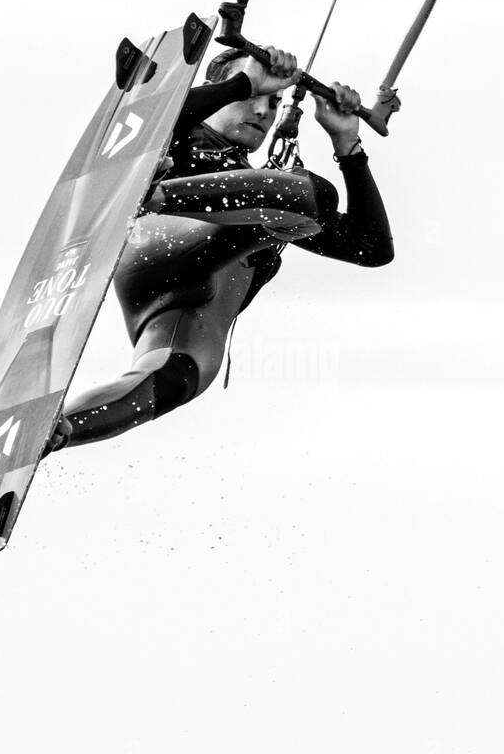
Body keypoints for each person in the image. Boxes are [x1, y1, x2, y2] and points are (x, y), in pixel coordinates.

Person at [44, 44, 394, 452]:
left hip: (187, 312)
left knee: (179, 377)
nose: (263, 111)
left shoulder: (258, 189)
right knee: (307, 192)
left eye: (274, 102)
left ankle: (57, 432)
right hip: (156, 252)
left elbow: (371, 248)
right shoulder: (181, 135)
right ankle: (153, 197)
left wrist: (347, 144)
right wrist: (241, 84)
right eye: (254, 97)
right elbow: (149, 119)